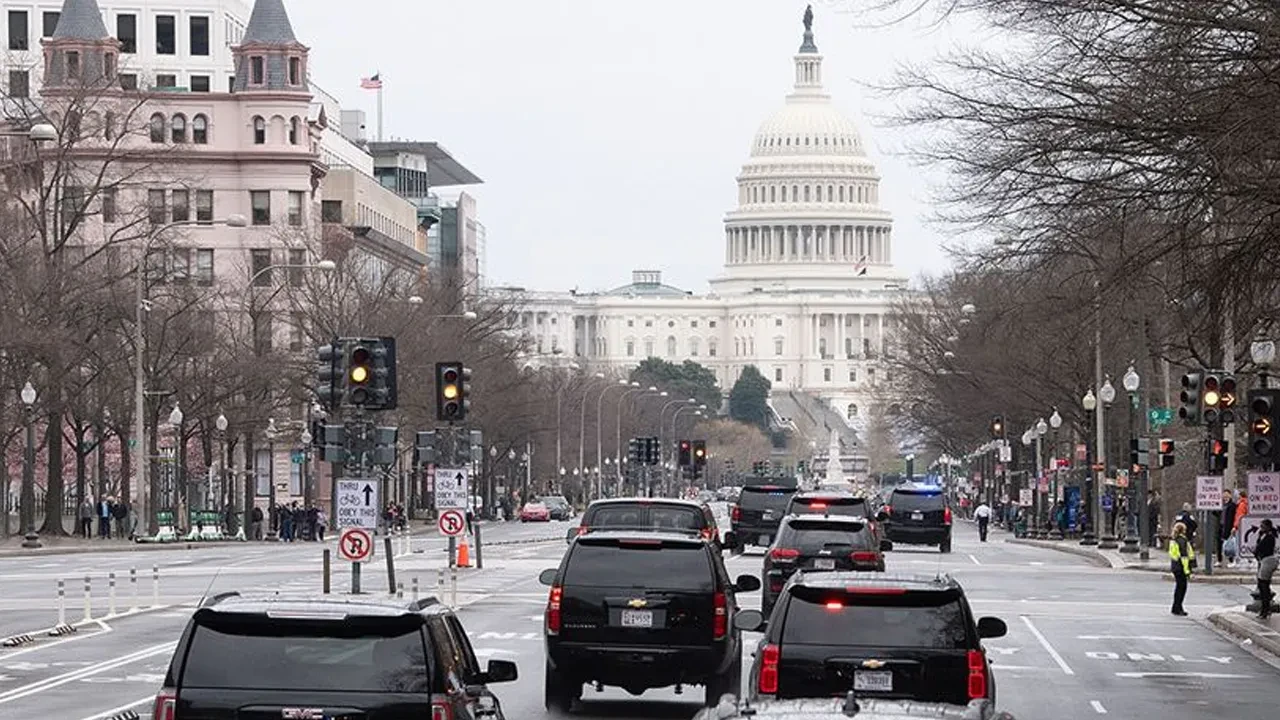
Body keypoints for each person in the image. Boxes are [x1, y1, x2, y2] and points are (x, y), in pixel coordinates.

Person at [1169, 522, 1195, 616]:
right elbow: (1184, 557)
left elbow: (1174, 555)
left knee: (1178, 588)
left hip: (1176, 567)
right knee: (1181, 589)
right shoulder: (1182, 541)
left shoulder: (1174, 540)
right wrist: (1187, 571)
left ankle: (1176, 607)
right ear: (1183, 530)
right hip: (1181, 568)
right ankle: (1178, 608)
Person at [1255, 519, 1277, 619]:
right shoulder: (1264, 536)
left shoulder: (1270, 537)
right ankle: (1265, 608)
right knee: (1262, 585)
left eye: (1263, 526)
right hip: (1264, 561)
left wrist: (1258, 551)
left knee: (1263, 584)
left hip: (1268, 561)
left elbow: (1262, 548)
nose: (1261, 528)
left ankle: (1265, 609)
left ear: (1268, 527)